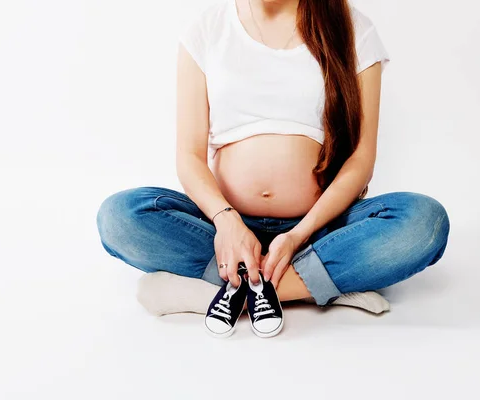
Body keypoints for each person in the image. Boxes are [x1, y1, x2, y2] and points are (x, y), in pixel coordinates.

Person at [96, 0, 450, 319]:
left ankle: (228, 293)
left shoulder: (354, 29)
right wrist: (227, 222)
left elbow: (360, 160)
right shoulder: (206, 30)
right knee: (119, 216)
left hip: (317, 228)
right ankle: (319, 284)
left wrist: (298, 236)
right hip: (224, 230)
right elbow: (189, 156)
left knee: (424, 221)